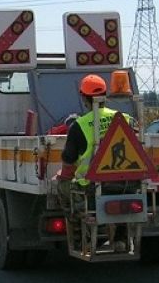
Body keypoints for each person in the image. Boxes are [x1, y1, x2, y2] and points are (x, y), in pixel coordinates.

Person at [54, 74, 135, 251]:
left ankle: (78, 234)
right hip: (126, 184)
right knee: (120, 199)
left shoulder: (80, 125)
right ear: (105, 96)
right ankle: (120, 239)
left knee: (62, 188)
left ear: (84, 98)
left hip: (91, 188)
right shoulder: (126, 119)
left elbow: (68, 159)